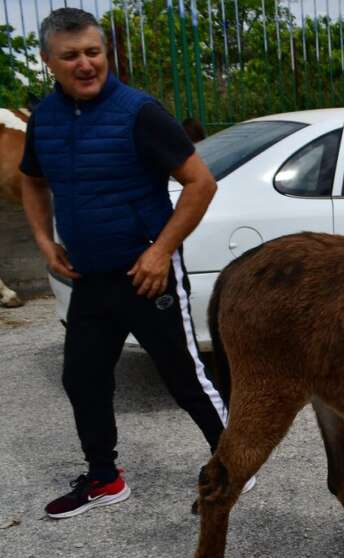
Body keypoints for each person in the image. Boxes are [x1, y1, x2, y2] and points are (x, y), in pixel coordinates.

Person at [19, 8, 254, 519]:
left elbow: (201, 183)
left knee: (184, 376)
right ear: (48, 61)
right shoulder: (45, 120)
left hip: (147, 275)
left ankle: (235, 463)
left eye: (93, 52)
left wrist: (161, 251)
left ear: (105, 54)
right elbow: (32, 181)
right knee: (82, 378)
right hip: (89, 277)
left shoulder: (139, 112)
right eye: (71, 55)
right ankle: (104, 478)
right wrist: (43, 239)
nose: (86, 64)